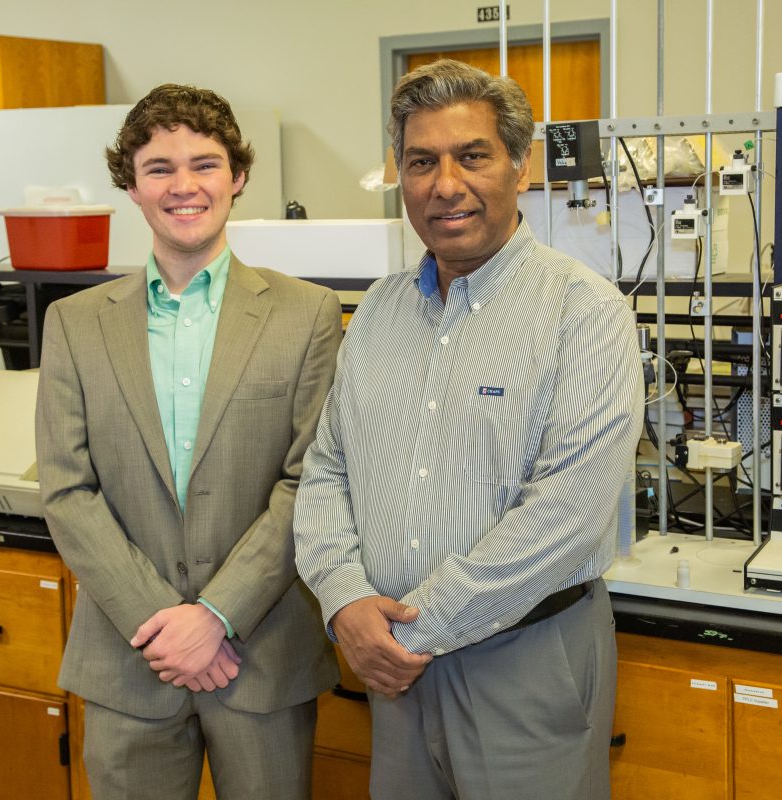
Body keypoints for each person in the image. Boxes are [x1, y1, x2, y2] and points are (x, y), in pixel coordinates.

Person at [294, 59, 643, 800]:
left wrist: (403, 635)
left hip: (523, 661)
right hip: (393, 670)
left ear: (520, 165)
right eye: (421, 162)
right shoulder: (379, 313)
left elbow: (568, 515)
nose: (444, 184)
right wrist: (344, 598)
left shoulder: (584, 311)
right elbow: (328, 470)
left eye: (472, 156)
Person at [37, 83, 341, 800]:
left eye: (204, 165)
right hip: (127, 657)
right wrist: (161, 622)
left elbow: (312, 481)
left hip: (259, 652)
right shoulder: (76, 324)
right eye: (159, 168)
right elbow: (67, 490)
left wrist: (217, 614)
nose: (184, 186)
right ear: (131, 187)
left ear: (237, 178)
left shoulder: (307, 315)